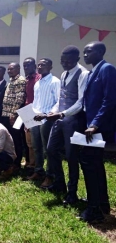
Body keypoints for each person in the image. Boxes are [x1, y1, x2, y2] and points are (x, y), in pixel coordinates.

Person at [78, 41, 116, 223]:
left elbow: (110, 100)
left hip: (98, 129)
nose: (85, 55)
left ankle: (94, 210)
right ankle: (101, 203)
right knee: (94, 164)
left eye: (89, 51)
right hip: (90, 127)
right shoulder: (93, 71)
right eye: (84, 52)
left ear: (101, 51)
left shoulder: (107, 69)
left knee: (90, 164)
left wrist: (94, 124)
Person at [45, 45, 88, 203]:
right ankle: (59, 183)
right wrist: (53, 111)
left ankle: (72, 192)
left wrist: (62, 113)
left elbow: (80, 103)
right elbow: (61, 98)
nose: (65, 64)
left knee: (71, 157)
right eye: (62, 61)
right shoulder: (63, 74)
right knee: (50, 150)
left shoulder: (83, 74)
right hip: (60, 119)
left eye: (68, 61)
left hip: (74, 122)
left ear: (77, 59)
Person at [27, 58, 60, 183]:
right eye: (39, 65)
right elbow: (36, 102)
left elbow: (58, 101)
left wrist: (47, 114)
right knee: (36, 147)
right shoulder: (37, 83)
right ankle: (39, 171)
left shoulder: (55, 81)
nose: (40, 67)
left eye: (43, 65)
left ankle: (50, 175)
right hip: (35, 119)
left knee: (48, 149)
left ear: (50, 66)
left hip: (47, 120)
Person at [1, 62, 26, 171]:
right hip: (6, 114)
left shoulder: (20, 80)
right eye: (8, 69)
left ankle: (17, 163)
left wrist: (13, 114)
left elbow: (19, 99)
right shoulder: (12, 81)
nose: (9, 71)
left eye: (11, 69)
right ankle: (10, 161)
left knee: (16, 140)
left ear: (18, 69)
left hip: (14, 117)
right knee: (9, 140)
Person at [23, 57, 41, 170]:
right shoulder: (27, 79)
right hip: (27, 111)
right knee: (28, 139)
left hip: (36, 112)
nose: (26, 67)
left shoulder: (38, 79)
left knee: (35, 141)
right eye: (24, 65)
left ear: (34, 66)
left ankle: (35, 165)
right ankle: (30, 162)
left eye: (28, 65)